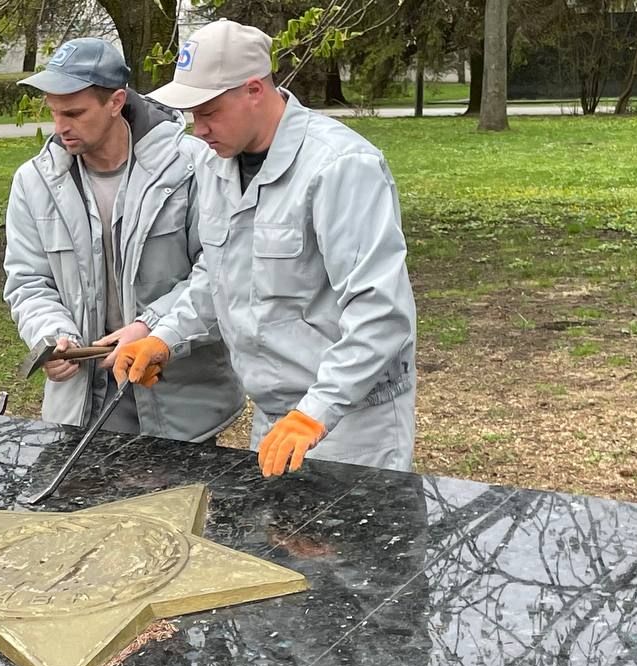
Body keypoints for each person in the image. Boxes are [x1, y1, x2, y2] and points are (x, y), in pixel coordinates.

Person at [113, 19, 417, 475]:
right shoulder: (219, 165)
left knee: (344, 545)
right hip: (276, 418)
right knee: (275, 544)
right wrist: (165, 336)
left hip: (352, 422)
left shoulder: (340, 167)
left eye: (209, 111)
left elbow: (381, 313)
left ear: (254, 90)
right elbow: (219, 277)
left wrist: (316, 412)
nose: (199, 130)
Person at [3, 37, 244, 442]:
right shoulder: (34, 181)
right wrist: (52, 336)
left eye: (75, 113)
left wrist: (150, 328)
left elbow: (219, 272)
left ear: (116, 102)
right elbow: (28, 281)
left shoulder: (192, 166)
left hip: (180, 403)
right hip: (81, 406)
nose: (61, 127)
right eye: (54, 112)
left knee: (179, 506)